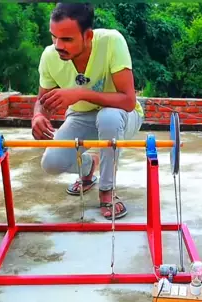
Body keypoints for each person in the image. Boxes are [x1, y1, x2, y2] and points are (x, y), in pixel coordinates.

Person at [32, 3, 145, 220]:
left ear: (88, 36)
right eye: (54, 37)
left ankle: (107, 190)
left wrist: (80, 94)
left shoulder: (112, 42)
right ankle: (88, 166)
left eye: (67, 39)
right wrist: (38, 115)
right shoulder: (49, 56)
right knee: (51, 163)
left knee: (108, 117)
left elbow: (128, 101)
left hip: (122, 114)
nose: (58, 45)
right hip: (80, 116)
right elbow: (41, 101)